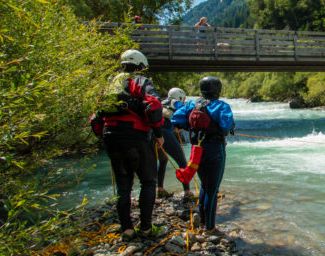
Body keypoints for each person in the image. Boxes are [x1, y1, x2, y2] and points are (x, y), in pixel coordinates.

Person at [90, 49, 164, 240]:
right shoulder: (141, 82)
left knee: (124, 186)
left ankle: (127, 229)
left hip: (111, 136)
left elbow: (96, 115)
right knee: (148, 181)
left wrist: (105, 135)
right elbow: (154, 107)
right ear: (139, 65)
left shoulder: (110, 83)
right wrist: (158, 134)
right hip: (135, 135)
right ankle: (147, 228)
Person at [171, 76, 234, 236]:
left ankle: (203, 221)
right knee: (212, 189)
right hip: (215, 149)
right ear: (217, 90)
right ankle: (210, 228)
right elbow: (226, 125)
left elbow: (175, 119)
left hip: (197, 148)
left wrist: (191, 126)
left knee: (204, 185)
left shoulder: (192, 104)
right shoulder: (222, 106)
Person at [157, 88, 192, 199]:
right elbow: (186, 114)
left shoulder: (161, 101)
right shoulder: (175, 103)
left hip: (153, 134)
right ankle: (187, 192)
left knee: (163, 160)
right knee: (182, 163)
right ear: (179, 97)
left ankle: (160, 189)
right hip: (165, 134)